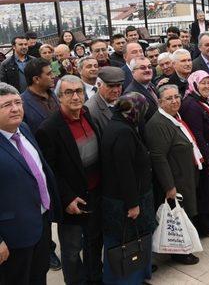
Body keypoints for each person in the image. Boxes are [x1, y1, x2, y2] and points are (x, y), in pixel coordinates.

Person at [37, 75, 103, 284]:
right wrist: (67, 199)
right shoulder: (49, 129)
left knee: (94, 243)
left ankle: (95, 278)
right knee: (73, 250)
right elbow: (51, 171)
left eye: (79, 91)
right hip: (73, 201)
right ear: (59, 97)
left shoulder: (87, 114)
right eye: (68, 92)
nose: (75, 96)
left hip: (95, 193)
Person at [0, 83, 58, 285]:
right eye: (6, 105)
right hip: (12, 235)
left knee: (38, 275)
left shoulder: (23, 128)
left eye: (18, 102)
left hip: (40, 223)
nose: (15, 108)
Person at [100, 93, 155, 284]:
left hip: (122, 198)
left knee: (127, 240)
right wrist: (133, 204)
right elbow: (125, 172)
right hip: (125, 201)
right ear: (133, 111)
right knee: (127, 243)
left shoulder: (120, 125)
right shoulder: (123, 132)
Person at [144, 84, 201, 266]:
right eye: (169, 98)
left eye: (177, 96)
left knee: (186, 212)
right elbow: (158, 157)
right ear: (160, 102)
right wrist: (169, 186)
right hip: (175, 179)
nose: (175, 101)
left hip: (185, 174)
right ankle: (179, 253)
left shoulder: (174, 117)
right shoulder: (157, 124)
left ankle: (185, 247)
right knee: (178, 216)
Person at [180, 71, 209, 238]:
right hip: (205, 156)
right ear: (194, 85)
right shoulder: (192, 106)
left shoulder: (202, 101)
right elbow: (198, 137)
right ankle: (206, 227)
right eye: (203, 83)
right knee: (206, 192)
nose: (207, 86)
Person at [21, 58, 59, 133]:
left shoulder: (54, 93)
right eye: (49, 74)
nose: (53, 76)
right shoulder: (21, 103)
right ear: (36, 79)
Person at [85, 67, 125, 135]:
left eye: (118, 85)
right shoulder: (91, 110)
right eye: (110, 86)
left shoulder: (122, 100)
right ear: (98, 85)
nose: (115, 90)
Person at [124, 57, 159, 124]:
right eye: (143, 68)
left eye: (149, 67)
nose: (147, 70)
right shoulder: (131, 94)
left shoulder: (151, 85)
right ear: (133, 72)